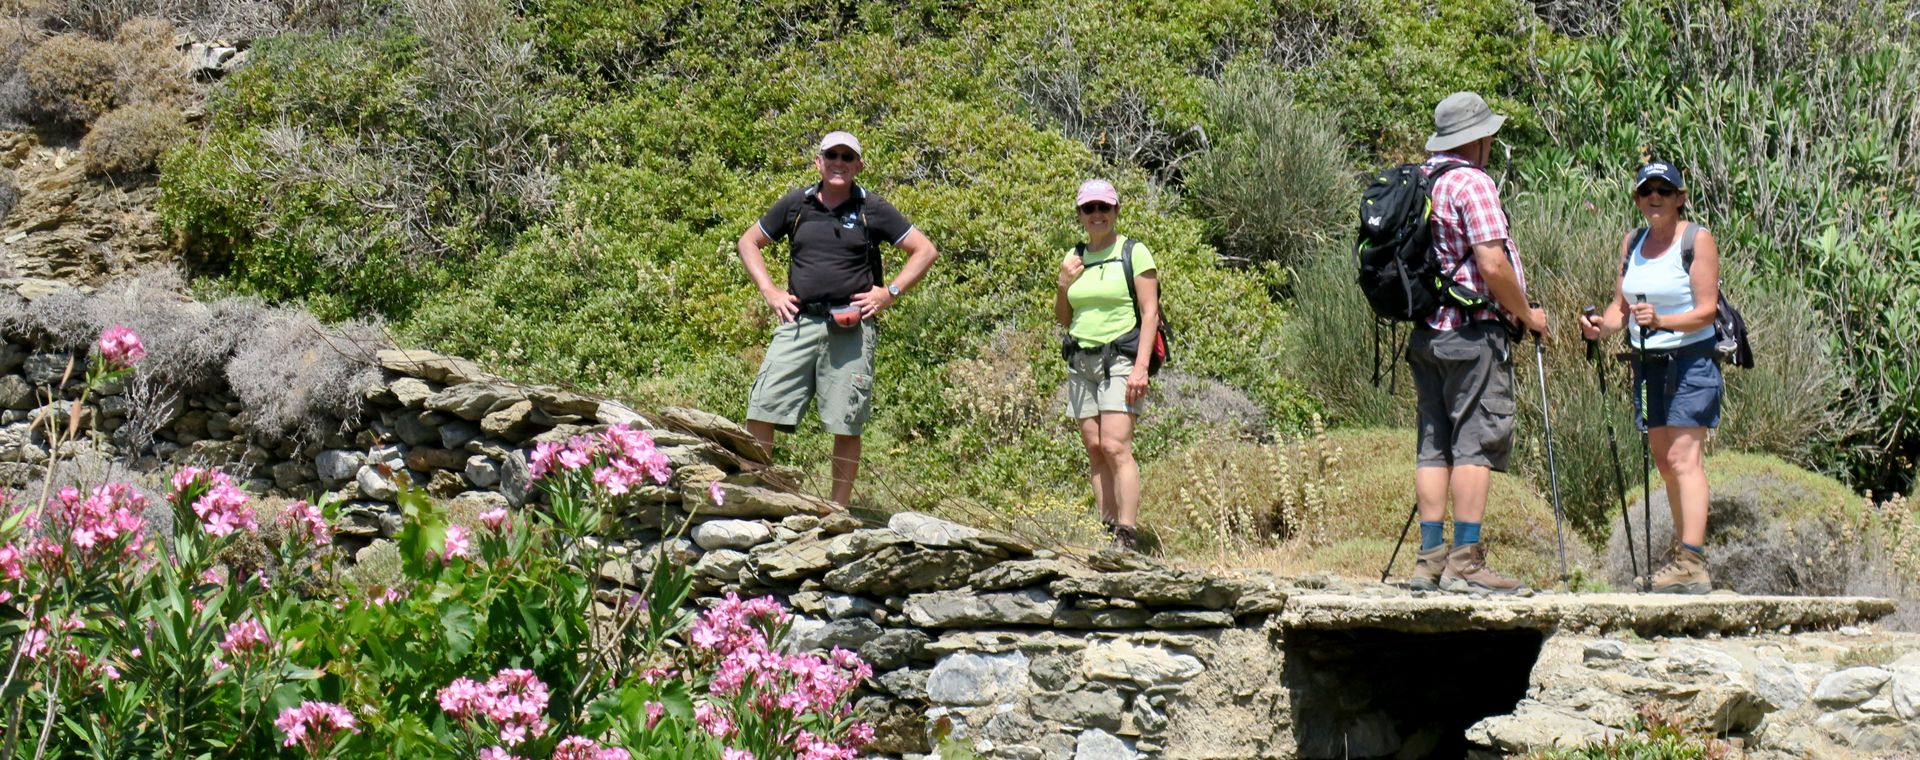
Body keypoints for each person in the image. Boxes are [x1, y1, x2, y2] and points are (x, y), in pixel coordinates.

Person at [735, 131, 940, 505]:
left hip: (850, 327)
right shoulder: (797, 204)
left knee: (846, 422)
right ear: (819, 161)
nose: (839, 163)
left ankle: (837, 512)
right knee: (761, 409)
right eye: (833, 155)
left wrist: (888, 292)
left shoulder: (871, 207)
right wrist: (771, 292)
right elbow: (748, 242)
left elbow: (925, 250)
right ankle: (758, 499)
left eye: (848, 157)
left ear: (859, 165)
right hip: (798, 322)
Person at [1405, 92, 1547, 595]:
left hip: (1427, 335)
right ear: (1478, 138)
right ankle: (1465, 561)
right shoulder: (1473, 182)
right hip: (1472, 334)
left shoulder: (1422, 180)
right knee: (1474, 444)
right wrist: (1527, 314)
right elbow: (1491, 263)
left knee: (1433, 445)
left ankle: (1428, 559)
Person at [1579, 160, 1721, 594]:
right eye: (1646, 191)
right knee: (1664, 463)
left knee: (1683, 459)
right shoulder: (1632, 242)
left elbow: (1707, 310)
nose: (1654, 197)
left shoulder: (1697, 240)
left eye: (1664, 189)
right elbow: (1619, 308)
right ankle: (1684, 557)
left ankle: (1692, 561)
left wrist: (1663, 321)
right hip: (1647, 364)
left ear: (1680, 197)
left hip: (1690, 361)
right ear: (1638, 199)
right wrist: (1600, 327)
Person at [1054, 179, 1159, 552]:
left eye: (1104, 208)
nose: (1097, 215)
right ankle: (1107, 528)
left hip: (1120, 358)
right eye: (1089, 209)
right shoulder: (1074, 256)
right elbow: (1063, 317)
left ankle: (1127, 534)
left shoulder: (1134, 252)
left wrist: (1141, 367)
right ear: (1080, 215)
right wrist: (1063, 282)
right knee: (1095, 446)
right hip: (1080, 359)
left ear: (1116, 211)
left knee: (1116, 446)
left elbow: (1150, 313)